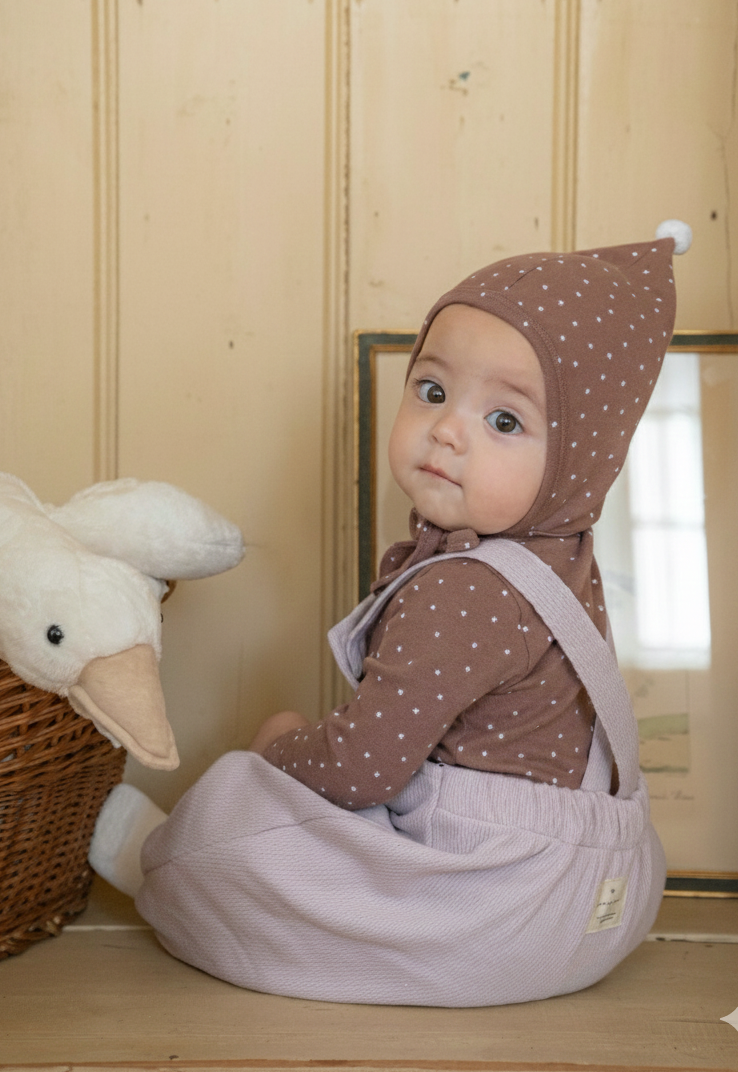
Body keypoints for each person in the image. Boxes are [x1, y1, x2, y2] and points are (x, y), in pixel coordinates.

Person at [90, 221, 690, 1007]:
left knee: (245, 791)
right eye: (433, 391)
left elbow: (362, 769)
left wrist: (276, 755)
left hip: (501, 909)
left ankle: (167, 870)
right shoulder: (562, 556)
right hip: (602, 904)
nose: (447, 430)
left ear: (578, 460)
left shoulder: (464, 589)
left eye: (504, 421)